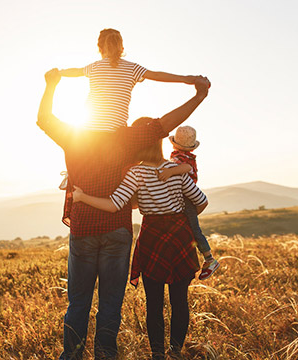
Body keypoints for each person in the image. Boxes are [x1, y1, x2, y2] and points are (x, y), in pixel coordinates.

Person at [37, 68, 210, 360]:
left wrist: (51, 85)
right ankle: (106, 355)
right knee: (110, 303)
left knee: (78, 302)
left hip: (83, 230)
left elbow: (44, 119)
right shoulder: (129, 138)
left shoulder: (74, 135)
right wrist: (199, 94)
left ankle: (72, 356)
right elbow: (168, 123)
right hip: (117, 231)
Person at [71, 120, 208, 359]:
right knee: (180, 301)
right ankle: (175, 352)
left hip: (152, 237)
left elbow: (113, 205)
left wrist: (82, 197)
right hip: (179, 237)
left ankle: (157, 355)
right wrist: (179, 217)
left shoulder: (136, 172)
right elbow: (202, 201)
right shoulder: (176, 168)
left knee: (154, 303)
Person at [59, 28, 201, 131]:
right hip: (116, 131)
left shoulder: (94, 67)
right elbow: (157, 75)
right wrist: (186, 79)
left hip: (89, 130)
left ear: (100, 48)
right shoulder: (132, 68)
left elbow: (75, 72)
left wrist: (58, 73)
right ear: (121, 48)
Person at [157, 125, 220, 279]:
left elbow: (185, 168)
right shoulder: (184, 156)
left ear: (174, 143)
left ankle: (209, 259)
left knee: (193, 229)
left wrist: (170, 171)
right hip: (185, 197)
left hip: (186, 197)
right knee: (189, 227)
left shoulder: (182, 159)